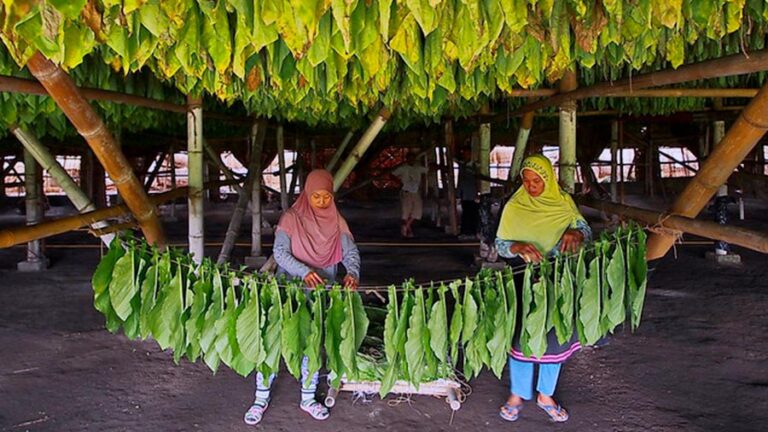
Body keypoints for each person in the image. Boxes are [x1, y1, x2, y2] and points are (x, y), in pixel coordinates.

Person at [243, 169, 360, 426]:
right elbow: (280, 253)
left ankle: (308, 398)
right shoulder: (291, 218)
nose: (321, 201)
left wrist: (352, 273)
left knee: (313, 342)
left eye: (326, 196)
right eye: (315, 196)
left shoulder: (337, 222)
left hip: (320, 295)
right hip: (289, 292)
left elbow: (351, 252)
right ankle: (260, 399)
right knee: (272, 339)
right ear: (307, 194)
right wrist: (305, 271)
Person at [495, 154, 592, 423]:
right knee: (521, 335)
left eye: (537, 180)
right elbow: (500, 244)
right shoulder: (515, 206)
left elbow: (585, 230)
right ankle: (517, 394)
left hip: (558, 281)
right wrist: (516, 247)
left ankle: (545, 394)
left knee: (554, 336)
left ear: (548, 179)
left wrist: (577, 233)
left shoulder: (562, 203)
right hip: (522, 278)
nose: (531, 186)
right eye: (526, 181)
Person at [392, 153, 427, 238]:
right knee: (406, 212)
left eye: (412, 158)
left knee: (417, 211)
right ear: (407, 159)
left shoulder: (418, 168)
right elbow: (392, 174)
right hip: (406, 191)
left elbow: (428, 169)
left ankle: (406, 226)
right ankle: (408, 230)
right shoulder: (403, 168)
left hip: (415, 191)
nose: (411, 160)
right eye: (409, 158)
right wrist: (399, 183)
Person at [456, 150, 479, 239]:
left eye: (467, 153)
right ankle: (465, 232)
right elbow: (460, 180)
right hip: (464, 193)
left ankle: (473, 232)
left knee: (473, 213)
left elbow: (477, 180)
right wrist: (458, 193)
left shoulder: (474, 166)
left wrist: (478, 192)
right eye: (464, 154)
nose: (466, 155)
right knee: (465, 213)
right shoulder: (462, 165)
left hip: (472, 193)